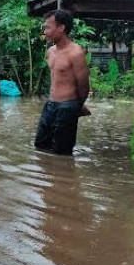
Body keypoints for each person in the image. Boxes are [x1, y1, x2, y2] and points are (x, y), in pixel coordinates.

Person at [34, 9, 90, 156]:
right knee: (40, 146)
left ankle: (64, 178)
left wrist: (77, 107)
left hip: (67, 106)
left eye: (48, 27)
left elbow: (84, 85)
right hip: (50, 105)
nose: (45, 31)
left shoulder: (76, 53)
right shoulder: (50, 52)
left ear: (61, 28)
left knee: (62, 153)